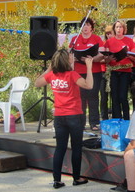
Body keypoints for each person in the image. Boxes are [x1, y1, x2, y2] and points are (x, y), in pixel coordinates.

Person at [34, 49, 91, 189]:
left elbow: (36, 83)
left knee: (60, 148)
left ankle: (57, 180)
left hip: (59, 116)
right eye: (70, 56)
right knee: (76, 147)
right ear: (67, 60)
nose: (72, 57)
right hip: (74, 115)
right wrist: (89, 67)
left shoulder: (52, 75)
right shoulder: (72, 75)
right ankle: (76, 178)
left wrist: (48, 69)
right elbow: (89, 85)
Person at [69, 17, 104, 131]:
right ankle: (81, 122)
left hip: (94, 72)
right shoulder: (75, 39)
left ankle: (94, 123)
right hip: (79, 72)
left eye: (88, 25)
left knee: (93, 96)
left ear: (92, 28)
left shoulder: (97, 39)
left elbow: (102, 55)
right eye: (84, 25)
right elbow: (69, 54)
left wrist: (92, 58)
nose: (86, 27)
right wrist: (73, 59)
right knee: (80, 97)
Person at [104, 20, 135, 120]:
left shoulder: (129, 41)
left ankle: (126, 119)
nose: (118, 29)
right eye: (117, 27)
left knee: (123, 96)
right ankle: (116, 119)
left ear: (124, 29)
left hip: (125, 71)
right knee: (114, 97)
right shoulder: (109, 42)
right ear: (114, 29)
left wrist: (128, 55)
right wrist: (109, 59)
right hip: (113, 71)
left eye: (120, 27)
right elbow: (104, 58)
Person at [100, 25, 114, 120]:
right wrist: (106, 59)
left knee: (114, 96)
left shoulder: (116, 44)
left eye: (110, 33)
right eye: (107, 34)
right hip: (103, 72)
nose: (109, 35)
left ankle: (115, 116)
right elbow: (99, 59)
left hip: (114, 71)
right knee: (103, 97)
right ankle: (104, 117)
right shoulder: (103, 44)